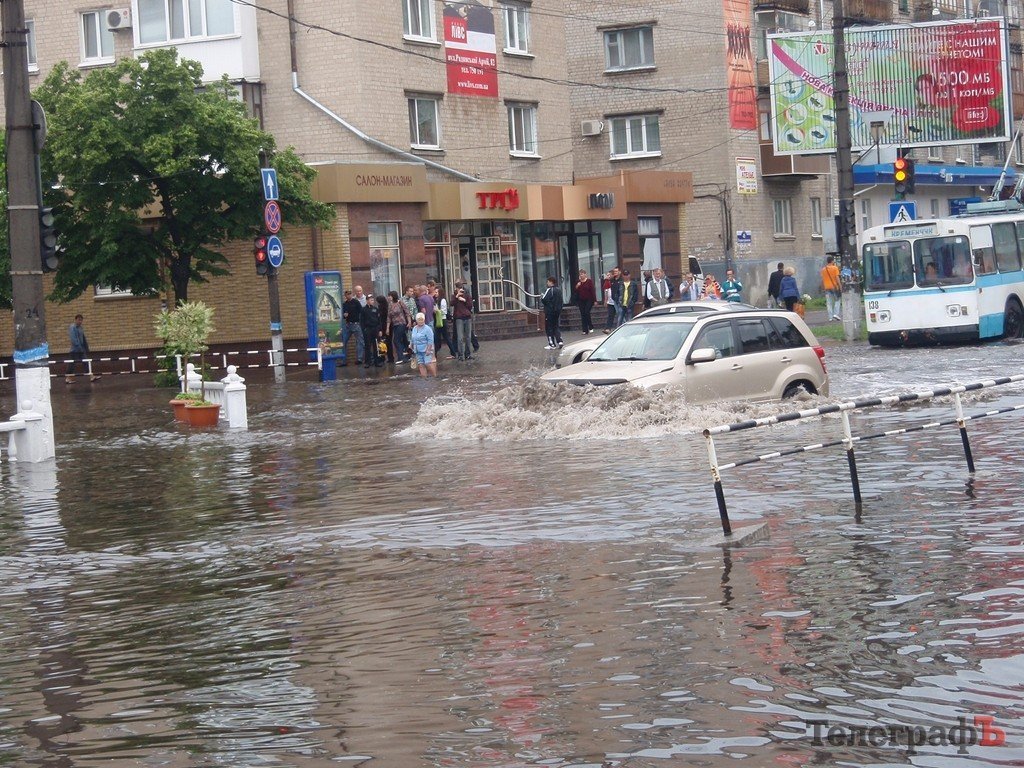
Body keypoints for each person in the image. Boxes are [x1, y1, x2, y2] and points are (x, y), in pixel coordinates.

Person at [66, 314, 100, 383]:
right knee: (72, 364)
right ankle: (68, 378)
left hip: (81, 349)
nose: (80, 321)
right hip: (75, 350)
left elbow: (83, 338)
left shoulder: (80, 328)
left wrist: (86, 347)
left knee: (86, 362)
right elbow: (74, 339)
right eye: (79, 320)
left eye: (81, 320)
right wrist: (79, 347)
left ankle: (91, 376)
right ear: (75, 320)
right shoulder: (72, 327)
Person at [387, 290, 412, 364]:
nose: (388, 297)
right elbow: (389, 317)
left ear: (393, 296)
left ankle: (401, 357)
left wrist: (409, 322)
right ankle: (408, 355)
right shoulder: (390, 305)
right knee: (404, 340)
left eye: (390, 296)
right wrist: (387, 327)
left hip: (401, 323)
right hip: (395, 325)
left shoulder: (400, 303)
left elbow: (407, 312)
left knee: (396, 340)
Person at [452, 279, 474, 360]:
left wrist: (464, 300)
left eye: (461, 288)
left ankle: (468, 354)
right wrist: (457, 296)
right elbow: (451, 303)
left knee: (468, 336)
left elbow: (470, 305)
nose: (460, 290)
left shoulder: (466, 294)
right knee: (460, 337)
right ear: (456, 288)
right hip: (459, 318)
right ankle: (461, 355)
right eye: (459, 288)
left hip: (467, 317)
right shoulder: (454, 295)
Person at [340, 289, 364, 366]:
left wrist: (360, 322)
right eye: (347, 294)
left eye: (350, 294)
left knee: (360, 342)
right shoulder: (345, 304)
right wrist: (344, 315)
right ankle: (343, 361)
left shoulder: (356, 302)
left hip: (356, 324)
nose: (349, 296)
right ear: (345, 296)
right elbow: (342, 315)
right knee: (343, 341)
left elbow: (361, 312)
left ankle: (359, 359)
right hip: (348, 325)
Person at [410, 312, 437, 377]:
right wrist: (411, 344)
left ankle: (434, 376)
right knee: (421, 365)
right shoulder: (414, 328)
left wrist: (428, 349)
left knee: (427, 363)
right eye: (419, 320)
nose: (421, 321)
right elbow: (412, 338)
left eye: (422, 319)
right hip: (417, 350)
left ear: (424, 320)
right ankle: (424, 379)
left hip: (426, 350)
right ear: (416, 320)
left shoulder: (428, 329)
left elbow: (430, 340)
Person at [360, 294, 384, 367]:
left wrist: (380, 330)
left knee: (376, 345)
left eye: (373, 300)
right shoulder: (363, 309)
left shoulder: (376, 309)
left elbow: (379, 320)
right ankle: (368, 362)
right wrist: (364, 329)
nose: (372, 301)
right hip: (368, 329)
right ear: (367, 301)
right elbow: (362, 321)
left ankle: (377, 361)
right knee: (367, 346)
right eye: (371, 300)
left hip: (375, 329)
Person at [541, 276, 564, 349]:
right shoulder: (559, 290)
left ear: (551, 282)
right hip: (557, 312)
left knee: (549, 327)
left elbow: (545, 300)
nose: (547, 283)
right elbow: (561, 301)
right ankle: (560, 341)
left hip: (549, 312)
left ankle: (552, 344)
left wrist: (542, 297)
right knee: (556, 326)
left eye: (548, 282)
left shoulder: (549, 290)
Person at [820, 255, 842, 321]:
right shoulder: (835, 268)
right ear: (832, 261)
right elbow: (837, 278)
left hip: (827, 287)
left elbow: (822, 279)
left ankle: (830, 317)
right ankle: (836, 314)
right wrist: (840, 286)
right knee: (837, 300)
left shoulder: (823, 269)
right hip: (834, 287)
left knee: (829, 303)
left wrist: (822, 287)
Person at [604, 267, 621, 333]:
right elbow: (606, 290)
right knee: (610, 314)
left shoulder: (621, 280)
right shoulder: (611, 281)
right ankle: (608, 328)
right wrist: (606, 300)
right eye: (614, 272)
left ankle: (619, 327)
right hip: (611, 301)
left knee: (620, 314)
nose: (615, 273)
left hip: (618, 300)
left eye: (616, 272)